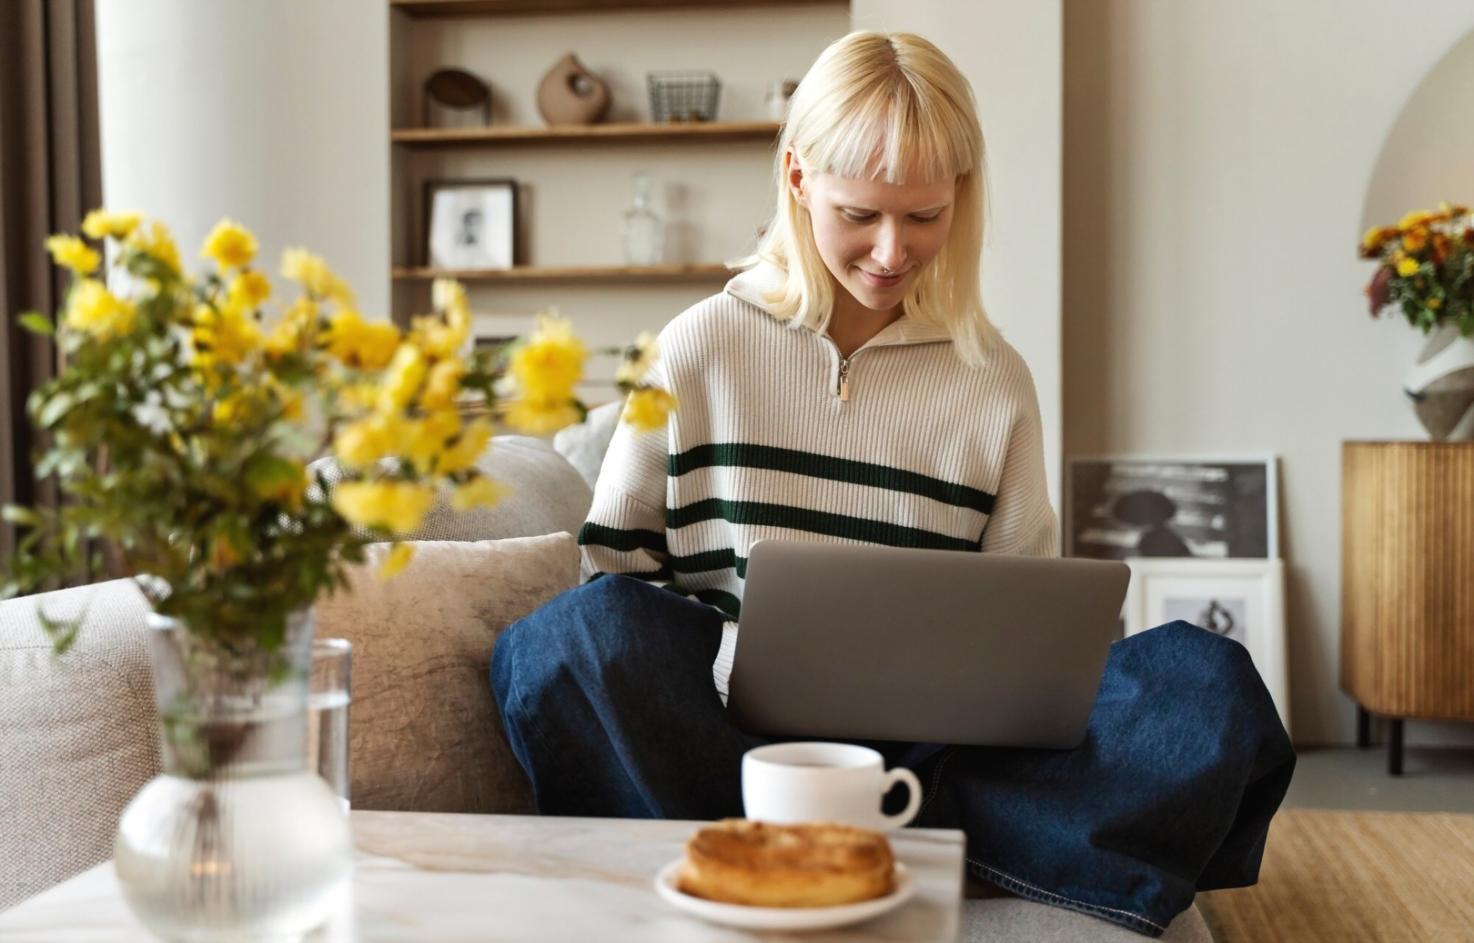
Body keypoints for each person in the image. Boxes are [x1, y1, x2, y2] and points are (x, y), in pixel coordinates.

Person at [491, 31, 1293, 936]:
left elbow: (1037, 631)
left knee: (1205, 683)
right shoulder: (696, 347)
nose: (889, 251)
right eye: (860, 213)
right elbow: (619, 583)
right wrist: (729, 659)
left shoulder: (994, 379)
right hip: (733, 748)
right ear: (797, 179)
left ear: (961, 197)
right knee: (565, 642)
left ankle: (879, 844)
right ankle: (802, 843)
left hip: (944, 761)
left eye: (923, 217)